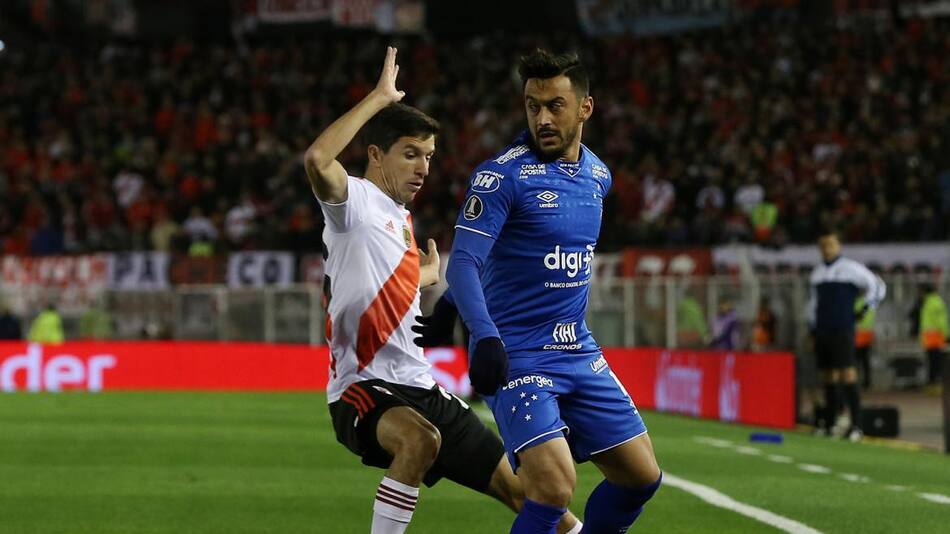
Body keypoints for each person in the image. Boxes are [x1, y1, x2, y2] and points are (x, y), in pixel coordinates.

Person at [306, 48, 580, 534]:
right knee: (419, 441)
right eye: (411, 154)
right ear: (375, 155)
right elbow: (317, 158)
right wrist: (378, 99)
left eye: (429, 157)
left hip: (421, 386)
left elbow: (382, 282)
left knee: (529, 494)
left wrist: (427, 276)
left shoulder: (402, 222)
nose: (423, 168)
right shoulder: (354, 203)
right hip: (363, 389)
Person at [417, 49, 661, 534]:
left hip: (578, 348)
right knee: (552, 488)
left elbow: (520, 257)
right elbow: (463, 261)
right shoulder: (501, 176)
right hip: (518, 354)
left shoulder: (598, 175)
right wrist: (481, 333)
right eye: (532, 106)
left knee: (641, 477)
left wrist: (448, 305)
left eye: (555, 106)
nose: (542, 118)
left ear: (585, 108)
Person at [807, 230, 885, 441]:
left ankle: (857, 425)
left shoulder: (850, 269)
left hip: (842, 328)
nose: (827, 249)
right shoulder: (817, 273)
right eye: (823, 245)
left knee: (847, 374)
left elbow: (877, 286)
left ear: (839, 246)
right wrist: (812, 329)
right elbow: (813, 304)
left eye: (831, 244)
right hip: (823, 329)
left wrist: (863, 310)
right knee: (828, 375)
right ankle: (831, 423)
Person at [918, 283, 948, 387]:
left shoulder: (933, 302)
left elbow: (941, 321)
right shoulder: (931, 302)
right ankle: (933, 382)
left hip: (935, 337)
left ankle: (934, 382)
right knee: (933, 361)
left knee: (935, 361)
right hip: (931, 337)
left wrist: (946, 335)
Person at [853, 295, 876, 390]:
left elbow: (858, 317)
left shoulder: (857, 302)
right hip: (867, 334)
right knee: (865, 361)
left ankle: (855, 382)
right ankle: (867, 382)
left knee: (856, 361)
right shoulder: (870, 303)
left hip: (858, 335)